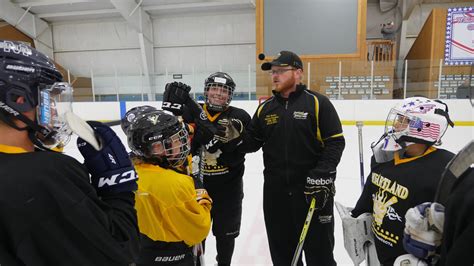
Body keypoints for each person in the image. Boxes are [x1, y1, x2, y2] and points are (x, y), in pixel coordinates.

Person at [0, 40, 139, 265]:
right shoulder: (45, 175)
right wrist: (118, 189)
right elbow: (118, 249)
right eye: (47, 98)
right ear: (18, 99)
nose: (53, 109)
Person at [236, 50, 346, 265]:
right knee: (282, 255)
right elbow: (251, 143)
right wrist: (235, 139)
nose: (275, 76)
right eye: (273, 72)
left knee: (320, 256)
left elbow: (335, 142)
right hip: (276, 195)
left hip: (313, 191)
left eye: (280, 71)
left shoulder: (317, 103)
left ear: (298, 73)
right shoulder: (265, 109)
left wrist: (323, 174)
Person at [351, 96, 455, 265]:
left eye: (403, 120)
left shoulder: (445, 169)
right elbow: (373, 190)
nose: (396, 125)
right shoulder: (385, 156)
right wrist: (359, 216)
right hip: (381, 255)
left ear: (424, 126)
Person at [123, 108, 212, 265]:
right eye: (176, 140)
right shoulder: (175, 184)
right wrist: (201, 194)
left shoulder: (127, 173)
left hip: (139, 252)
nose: (182, 144)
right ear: (157, 148)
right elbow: (198, 231)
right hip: (174, 257)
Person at [181, 72, 251, 266]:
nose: (219, 93)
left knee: (226, 235)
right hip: (196, 187)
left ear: (230, 95)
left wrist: (236, 140)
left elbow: (252, 145)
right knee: (195, 233)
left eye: (224, 90)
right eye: (215, 88)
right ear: (207, 90)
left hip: (229, 189)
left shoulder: (239, 116)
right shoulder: (191, 112)